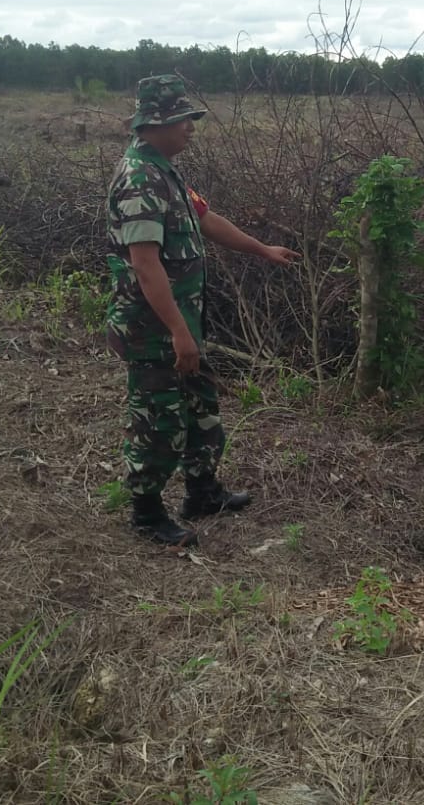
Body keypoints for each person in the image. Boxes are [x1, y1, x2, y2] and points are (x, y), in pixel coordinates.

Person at [105, 74, 300, 547]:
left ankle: (203, 492)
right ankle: (148, 514)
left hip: (181, 323)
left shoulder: (166, 172)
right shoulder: (139, 180)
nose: (191, 127)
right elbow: (146, 267)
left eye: (191, 119)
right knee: (158, 420)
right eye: (183, 120)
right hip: (153, 330)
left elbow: (206, 220)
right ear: (156, 123)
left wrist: (261, 250)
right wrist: (178, 332)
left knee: (200, 410)